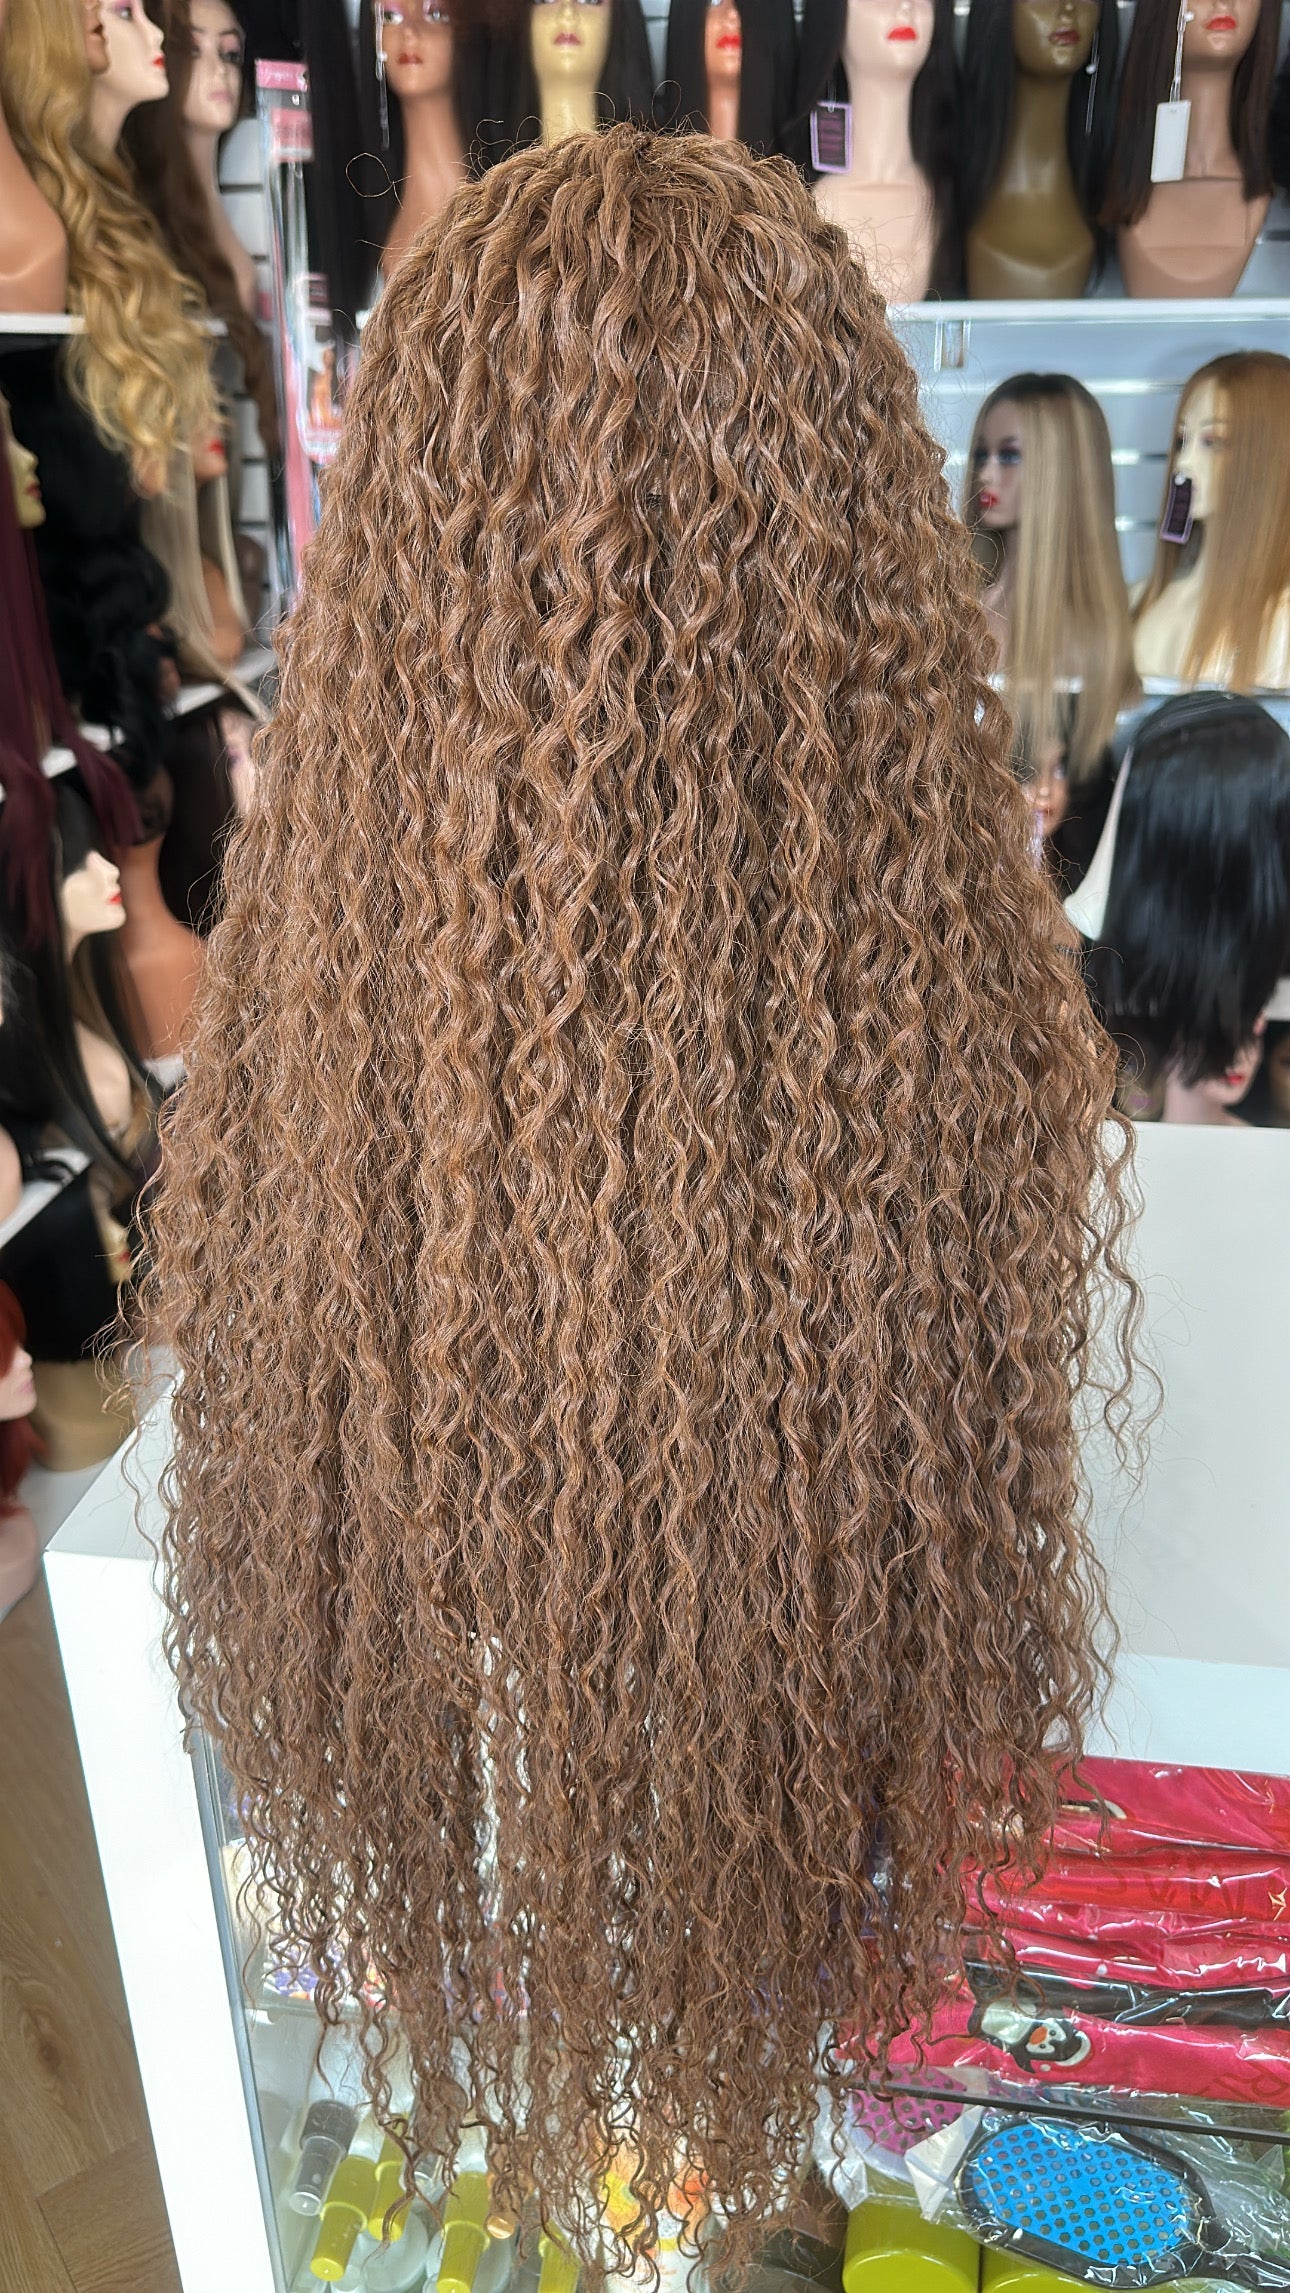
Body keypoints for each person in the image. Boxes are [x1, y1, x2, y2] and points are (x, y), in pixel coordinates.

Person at [144, 126, 1136, 2263]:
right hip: (748, 1778)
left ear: (420, 525)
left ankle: (666, 2183)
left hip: (527, 1779)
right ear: (854, 511)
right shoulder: (932, 979)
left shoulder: (350, 973)